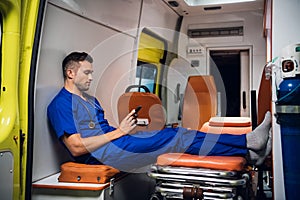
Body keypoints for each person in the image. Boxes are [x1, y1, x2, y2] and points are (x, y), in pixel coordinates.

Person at [47, 51, 272, 172]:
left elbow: (102, 130)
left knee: (179, 133)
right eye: (86, 72)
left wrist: (125, 128)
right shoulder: (61, 104)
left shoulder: (90, 100)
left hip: (117, 144)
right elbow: (76, 148)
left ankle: (249, 150)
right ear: (70, 73)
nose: (91, 77)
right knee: (178, 137)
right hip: (102, 156)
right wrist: (120, 132)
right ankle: (247, 143)